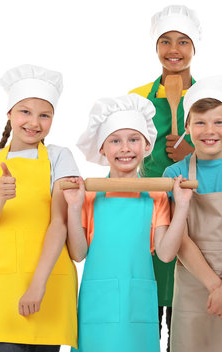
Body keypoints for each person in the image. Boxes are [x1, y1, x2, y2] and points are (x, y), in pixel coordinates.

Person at [129, 6, 222, 347]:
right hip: (149, 218)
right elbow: (122, 153)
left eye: (183, 41)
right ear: (155, 46)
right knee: (146, 317)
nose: (173, 49)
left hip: (200, 219)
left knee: (186, 322)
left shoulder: (211, 96)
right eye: (165, 41)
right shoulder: (137, 98)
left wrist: (189, 154)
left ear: (195, 48)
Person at [63, 94, 192, 352]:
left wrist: (183, 206)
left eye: (134, 139)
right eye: (115, 141)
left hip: (138, 305)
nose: (125, 148)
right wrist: (74, 207)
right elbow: (78, 254)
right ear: (102, 148)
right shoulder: (89, 194)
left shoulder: (155, 195)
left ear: (146, 146)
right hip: (97, 308)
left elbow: (166, 254)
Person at [0, 64, 78, 352]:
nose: (34, 122)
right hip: (3, 284)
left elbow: (60, 223)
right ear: (9, 114)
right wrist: (1, 195)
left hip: (49, 278)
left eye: (45, 115)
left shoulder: (59, 157)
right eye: (25, 112)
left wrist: (38, 284)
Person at [163, 76, 222, 352]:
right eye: (200, 122)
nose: (210, 131)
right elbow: (180, 239)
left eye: (219, 122)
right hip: (194, 285)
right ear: (187, 126)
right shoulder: (174, 174)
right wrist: (214, 287)